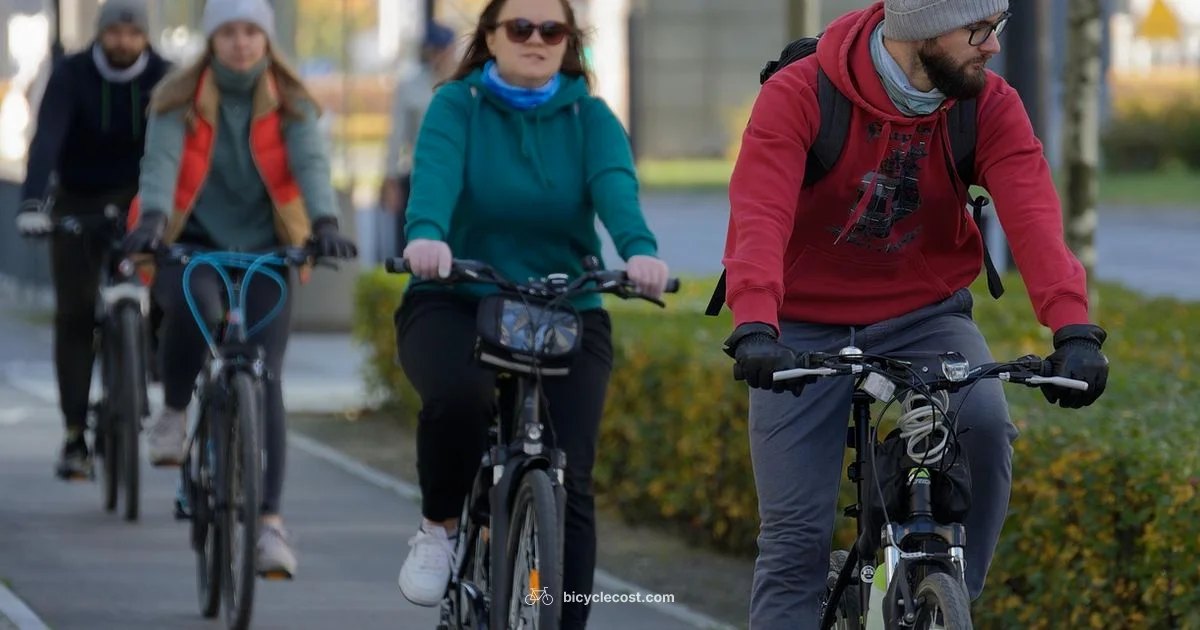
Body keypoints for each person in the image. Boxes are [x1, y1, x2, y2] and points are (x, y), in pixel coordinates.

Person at [718, 1, 1111, 627]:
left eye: (998, 28)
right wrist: (757, 324)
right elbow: (758, 214)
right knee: (794, 544)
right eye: (977, 31)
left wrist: (1072, 327)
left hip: (926, 316)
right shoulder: (801, 94)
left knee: (984, 427)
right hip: (801, 326)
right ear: (922, 30)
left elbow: (1033, 214)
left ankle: (946, 600)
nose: (993, 47)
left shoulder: (987, 104)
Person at [392, 0, 670, 627]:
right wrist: (427, 236)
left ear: (568, 43)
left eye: (553, 30)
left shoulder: (591, 117)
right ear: (490, 37)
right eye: (521, 27)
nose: (537, 39)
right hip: (459, 296)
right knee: (461, 398)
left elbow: (615, 189)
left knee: (571, 475)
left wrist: (640, 253)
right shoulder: (455, 106)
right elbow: (433, 178)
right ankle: (438, 529)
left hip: (562, 304)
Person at [121, 0, 358, 578]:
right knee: (192, 307)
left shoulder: (289, 100)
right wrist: (152, 219)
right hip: (193, 243)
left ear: (266, 39)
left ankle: (270, 525)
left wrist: (324, 223)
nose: (241, 43)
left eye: (252, 31)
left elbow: (310, 163)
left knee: (265, 375)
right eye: (229, 32)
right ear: (212, 39)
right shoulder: (179, 97)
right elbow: (161, 161)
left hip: (268, 252)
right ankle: (176, 413)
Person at [13, 0, 171, 481]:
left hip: (146, 200)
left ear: (145, 37)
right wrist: (32, 202)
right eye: (115, 33)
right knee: (75, 312)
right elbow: (47, 140)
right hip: (78, 197)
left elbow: (183, 142)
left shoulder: (167, 77)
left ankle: (150, 373)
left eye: (133, 34)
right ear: (100, 34)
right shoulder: (71, 74)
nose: (123, 42)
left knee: (171, 290)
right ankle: (75, 434)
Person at [379, 20, 459, 257]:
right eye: (433, 50)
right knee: (414, 244)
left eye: (443, 50)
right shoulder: (411, 87)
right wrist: (390, 179)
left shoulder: (465, 85)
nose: (438, 56)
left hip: (458, 177)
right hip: (419, 176)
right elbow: (397, 135)